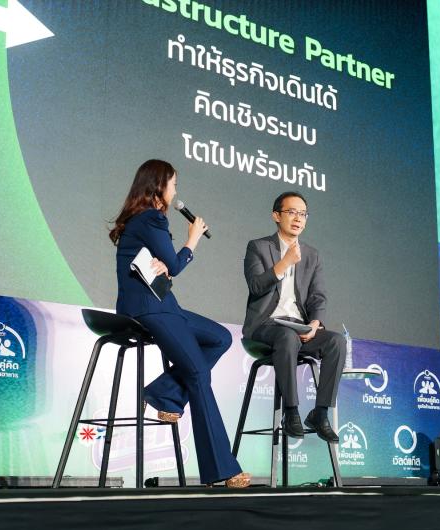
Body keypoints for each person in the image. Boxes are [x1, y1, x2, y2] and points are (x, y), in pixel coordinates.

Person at [110, 159, 249, 487]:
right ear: (159, 186)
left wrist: (168, 265)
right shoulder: (151, 218)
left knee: (219, 338)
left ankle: (165, 392)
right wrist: (192, 239)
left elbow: (165, 268)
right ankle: (222, 470)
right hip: (150, 309)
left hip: (160, 305)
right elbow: (173, 266)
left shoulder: (141, 221)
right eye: (173, 184)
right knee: (198, 374)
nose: (175, 191)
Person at [243, 192, 346, 442]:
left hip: (298, 327)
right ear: (276, 216)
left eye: (303, 214)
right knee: (287, 337)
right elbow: (256, 286)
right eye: (292, 212)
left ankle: (320, 413)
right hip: (265, 326)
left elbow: (318, 297)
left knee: (336, 342)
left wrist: (314, 323)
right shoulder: (258, 247)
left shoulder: (312, 255)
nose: (298, 218)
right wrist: (285, 262)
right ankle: (291, 412)